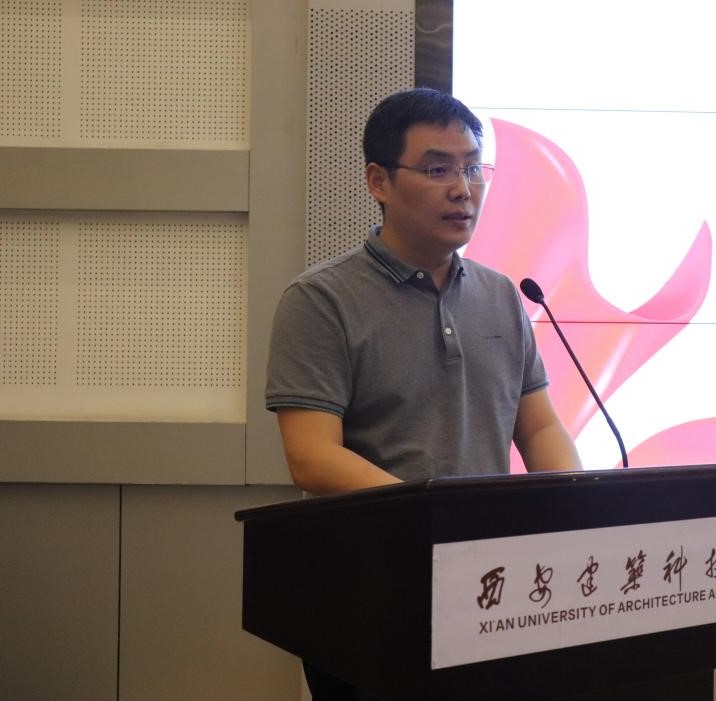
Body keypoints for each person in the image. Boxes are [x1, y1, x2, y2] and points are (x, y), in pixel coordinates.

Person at [264, 87, 582, 699]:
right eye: (438, 170)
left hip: (491, 587)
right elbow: (311, 455)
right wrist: (436, 519)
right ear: (378, 181)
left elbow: (540, 428)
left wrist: (577, 507)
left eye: (473, 168)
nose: (463, 189)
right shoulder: (321, 300)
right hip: (369, 592)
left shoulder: (501, 295)